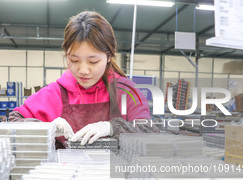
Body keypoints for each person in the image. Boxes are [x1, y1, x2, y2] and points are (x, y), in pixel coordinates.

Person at [9, 11, 159, 148]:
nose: (83, 70)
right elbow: (13, 121)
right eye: (74, 60)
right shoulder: (55, 93)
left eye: (93, 62)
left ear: (109, 57)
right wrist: (46, 128)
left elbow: (149, 130)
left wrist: (112, 127)